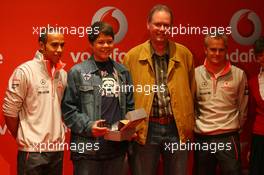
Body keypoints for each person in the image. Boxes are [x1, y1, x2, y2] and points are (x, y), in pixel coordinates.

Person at [123, 4, 195, 175]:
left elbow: (192, 92)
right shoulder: (132, 57)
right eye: (157, 24)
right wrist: (130, 128)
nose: (162, 29)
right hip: (145, 129)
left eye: (166, 25)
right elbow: (125, 97)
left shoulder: (184, 54)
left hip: (176, 128)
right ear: (148, 24)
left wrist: (188, 123)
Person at [61, 21, 134, 175]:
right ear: (92, 44)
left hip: (116, 150)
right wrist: (89, 126)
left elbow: (130, 106)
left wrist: (130, 125)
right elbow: (68, 111)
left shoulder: (123, 72)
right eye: (101, 42)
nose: (106, 46)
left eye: (109, 42)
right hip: (87, 151)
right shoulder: (77, 72)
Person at [2, 28, 67, 175]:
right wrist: (26, 136)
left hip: (57, 150)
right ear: (42, 46)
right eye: (54, 45)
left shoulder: (62, 73)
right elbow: (10, 112)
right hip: (32, 152)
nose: (59, 49)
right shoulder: (25, 71)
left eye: (62, 45)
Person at [194, 33, 248, 175]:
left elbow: (243, 107)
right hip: (203, 137)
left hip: (228, 136)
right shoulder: (195, 74)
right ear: (205, 50)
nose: (217, 53)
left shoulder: (239, 74)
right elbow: (191, 106)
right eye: (213, 49)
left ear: (226, 50)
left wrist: (234, 127)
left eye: (221, 50)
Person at [248, 36, 264, 175]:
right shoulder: (253, 82)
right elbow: (251, 113)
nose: (263, 59)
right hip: (259, 136)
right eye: (259, 56)